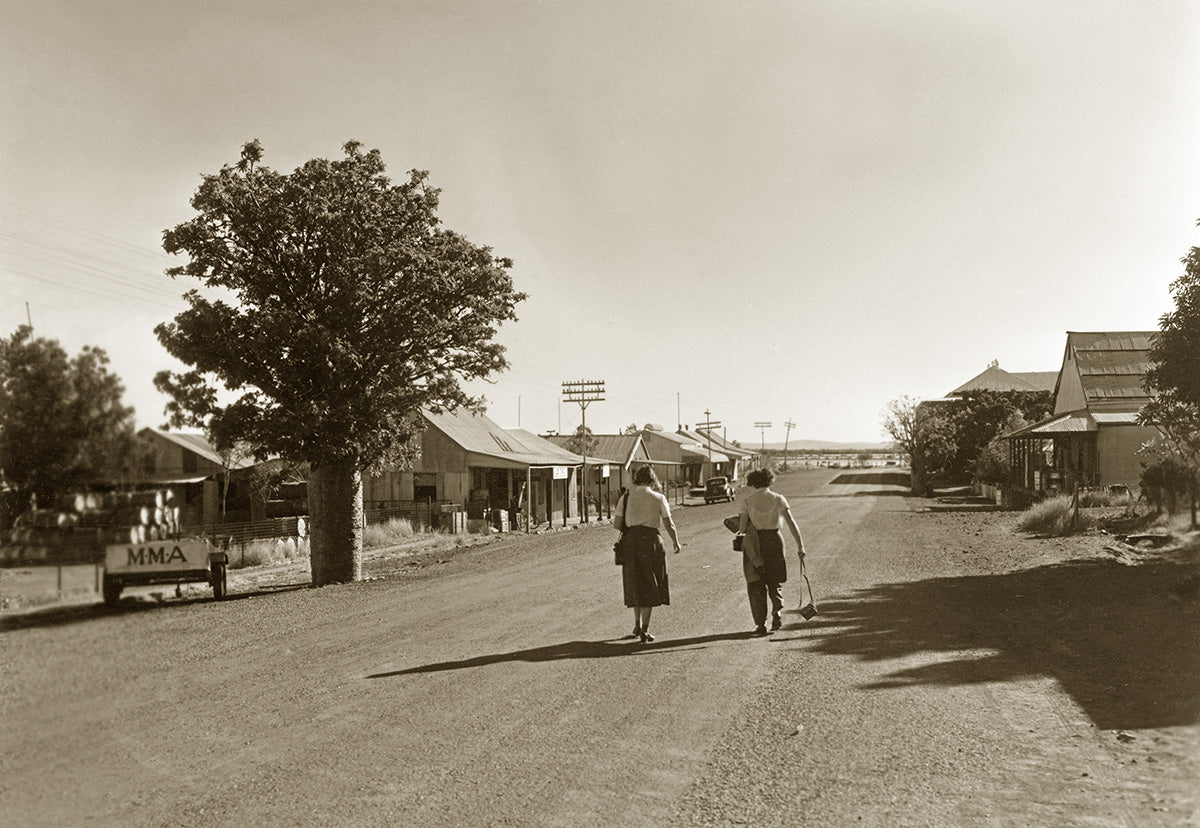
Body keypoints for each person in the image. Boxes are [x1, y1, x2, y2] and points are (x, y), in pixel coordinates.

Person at [614, 466, 682, 642]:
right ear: (653, 480)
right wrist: (675, 541)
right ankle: (645, 629)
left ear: (636, 480)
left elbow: (617, 524)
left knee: (634, 582)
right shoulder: (659, 498)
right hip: (651, 542)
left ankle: (637, 624)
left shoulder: (626, 497)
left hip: (631, 542)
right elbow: (669, 523)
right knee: (650, 583)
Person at [737, 467, 806, 635]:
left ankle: (760, 624)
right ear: (770, 480)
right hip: (775, 540)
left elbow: (742, 528)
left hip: (756, 543)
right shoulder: (778, 499)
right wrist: (800, 546)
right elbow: (791, 523)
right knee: (775, 581)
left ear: (752, 482)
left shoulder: (747, 501)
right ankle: (778, 611)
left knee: (756, 584)